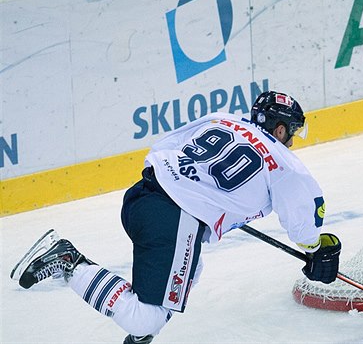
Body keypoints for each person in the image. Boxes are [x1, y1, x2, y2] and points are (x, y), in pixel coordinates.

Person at [11, 91, 342, 344]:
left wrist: (208, 198)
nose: (293, 141)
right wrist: (318, 249)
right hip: (175, 219)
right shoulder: (285, 163)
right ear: (281, 129)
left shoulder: (221, 119)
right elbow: (302, 225)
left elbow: (164, 148)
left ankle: (141, 336)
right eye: (293, 133)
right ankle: (70, 260)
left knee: (191, 268)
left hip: (140, 197)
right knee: (146, 317)